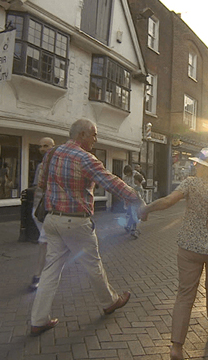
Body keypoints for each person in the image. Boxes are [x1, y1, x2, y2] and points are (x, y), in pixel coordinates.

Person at [29, 119, 144, 336]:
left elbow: (42, 184)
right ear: (82, 134)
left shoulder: (51, 154)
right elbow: (111, 182)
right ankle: (109, 302)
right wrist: (136, 198)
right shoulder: (85, 158)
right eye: (94, 135)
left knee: (50, 270)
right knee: (93, 264)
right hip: (75, 221)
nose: (95, 139)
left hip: (52, 220)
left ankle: (38, 319)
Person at [137, 148, 208, 360]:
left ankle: (176, 347)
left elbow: (168, 202)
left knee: (185, 294)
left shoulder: (189, 184)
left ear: (201, 166)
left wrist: (146, 209)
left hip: (189, 247)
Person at [29, 137, 55, 291]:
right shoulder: (40, 166)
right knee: (47, 242)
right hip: (39, 209)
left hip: (50, 209)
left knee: (44, 242)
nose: (43, 149)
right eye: (41, 146)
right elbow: (37, 187)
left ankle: (38, 275)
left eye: (46, 146)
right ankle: (44, 274)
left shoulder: (57, 165)